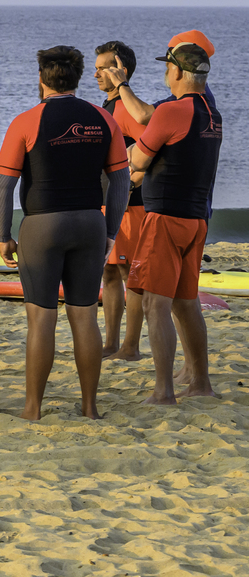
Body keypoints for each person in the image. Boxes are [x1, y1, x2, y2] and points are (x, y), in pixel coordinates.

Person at [0, 46, 128, 420]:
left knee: (42, 318)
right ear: (78, 78)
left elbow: (2, 185)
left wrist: (3, 234)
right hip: (89, 223)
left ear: (41, 78)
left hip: (43, 226)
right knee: (84, 317)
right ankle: (89, 407)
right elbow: (120, 181)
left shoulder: (27, 120)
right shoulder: (103, 118)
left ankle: (33, 409)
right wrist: (111, 231)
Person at [126, 39, 221, 406]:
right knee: (185, 303)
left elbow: (139, 160)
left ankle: (163, 391)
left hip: (166, 216)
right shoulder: (211, 113)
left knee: (156, 305)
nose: (166, 73)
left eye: (168, 67)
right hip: (196, 218)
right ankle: (200, 382)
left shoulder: (172, 111)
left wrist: (134, 159)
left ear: (179, 71)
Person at [93, 40, 149, 360]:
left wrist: (128, 188)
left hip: (131, 206)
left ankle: (130, 347)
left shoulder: (128, 107)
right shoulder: (107, 106)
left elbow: (149, 153)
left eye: (104, 68)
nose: (97, 73)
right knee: (109, 274)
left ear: (121, 70)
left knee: (132, 275)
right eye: (97, 67)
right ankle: (111, 343)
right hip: (107, 203)